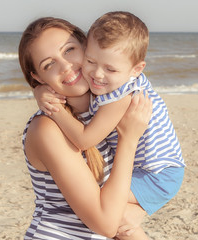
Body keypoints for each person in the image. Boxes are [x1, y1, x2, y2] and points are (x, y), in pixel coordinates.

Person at [35, 11, 186, 236]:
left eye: (110, 69)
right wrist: (40, 90)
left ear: (136, 70)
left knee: (106, 206)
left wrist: (54, 110)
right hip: (155, 171)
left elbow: (84, 139)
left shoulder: (121, 97)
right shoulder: (117, 81)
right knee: (122, 223)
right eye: (90, 61)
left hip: (156, 175)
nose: (97, 74)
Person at [18, 17, 152, 239]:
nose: (66, 66)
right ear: (37, 77)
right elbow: (107, 224)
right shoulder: (46, 128)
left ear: (88, 46)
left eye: (69, 50)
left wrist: (139, 209)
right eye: (48, 65)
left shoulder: (101, 116)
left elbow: (112, 201)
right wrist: (129, 139)